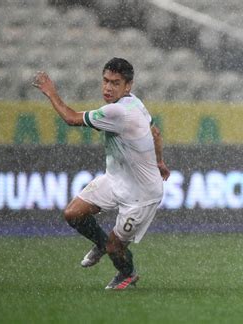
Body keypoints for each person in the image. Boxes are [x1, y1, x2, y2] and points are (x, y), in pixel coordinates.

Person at [33, 57, 170, 290]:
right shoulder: (135, 103)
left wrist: (50, 92)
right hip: (116, 180)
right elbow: (155, 132)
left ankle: (128, 273)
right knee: (73, 214)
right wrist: (160, 161)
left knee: (116, 249)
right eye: (105, 81)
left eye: (115, 83)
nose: (108, 87)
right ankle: (102, 242)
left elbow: (71, 118)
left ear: (128, 86)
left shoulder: (118, 112)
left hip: (141, 195)